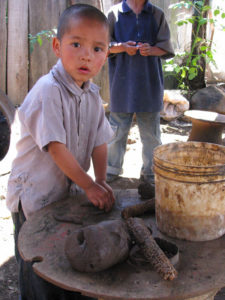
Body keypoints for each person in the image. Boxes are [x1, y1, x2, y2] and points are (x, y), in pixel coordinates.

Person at [6, 4, 114, 299]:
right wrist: (90, 185)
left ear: (106, 55)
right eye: (76, 44)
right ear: (57, 46)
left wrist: (101, 179)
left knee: (63, 262)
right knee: (37, 266)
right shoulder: (48, 90)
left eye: (97, 49)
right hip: (34, 197)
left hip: (63, 196)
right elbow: (56, 148)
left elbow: (99, 141)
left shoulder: (91, 95)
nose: (85, 55)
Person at [106, 0, 174, 196]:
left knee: (151, 134)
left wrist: (151, 50)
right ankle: (111, 171)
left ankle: (151, 174)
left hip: (149, 83)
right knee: (116, 131)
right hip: (122, 83)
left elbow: (166, 47)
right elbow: (103, 46)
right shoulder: (114, 14)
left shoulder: (156, 14)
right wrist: (120, 46)